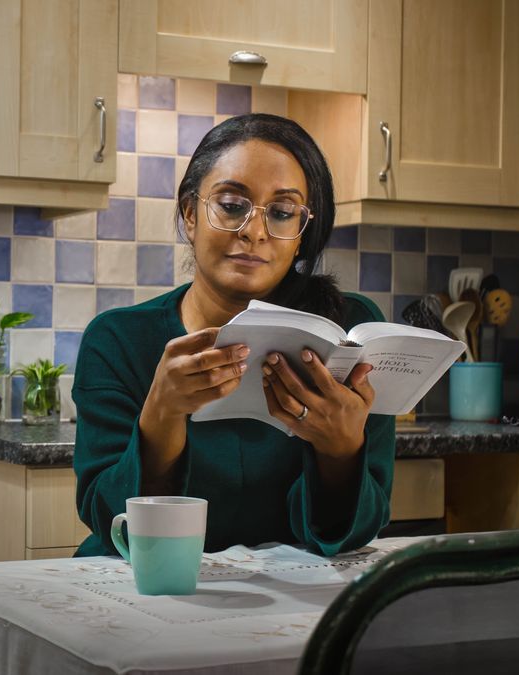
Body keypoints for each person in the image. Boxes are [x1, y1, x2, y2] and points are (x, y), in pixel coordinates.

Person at [73, 113, 395, 558]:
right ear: (190, 214)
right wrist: (162, 414)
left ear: (301, 235)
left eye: (282, 213)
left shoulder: (346, 331)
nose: (255, 231)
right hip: (145, 584)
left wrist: (342, 450)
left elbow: (356, 531)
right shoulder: (118, 340)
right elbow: (104, 514)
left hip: (291, 593)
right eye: (231, 205)